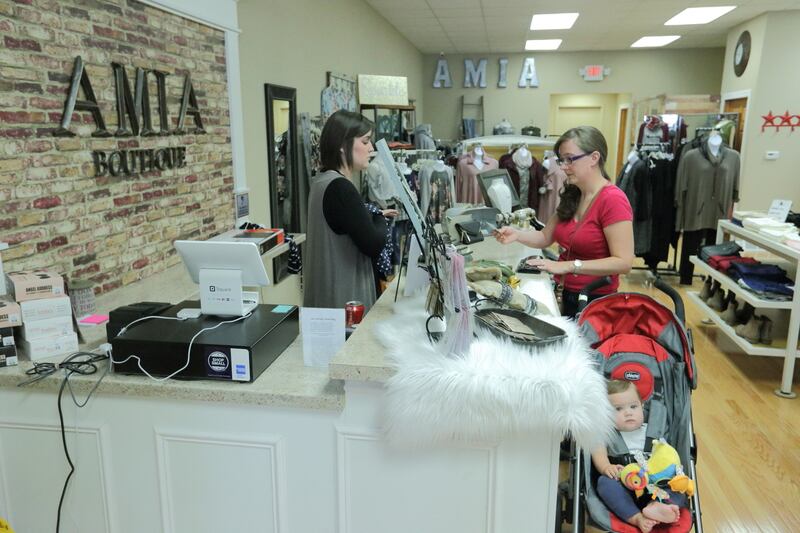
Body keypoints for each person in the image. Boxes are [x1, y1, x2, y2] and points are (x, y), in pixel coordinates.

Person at [494, 126, 634, 317]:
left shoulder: (613, 200)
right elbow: (545, 236)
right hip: (566, 293)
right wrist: (516, 234)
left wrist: (569, 266)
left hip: (595, 302)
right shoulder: (573, 193)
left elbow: (624, 262)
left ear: (594, 158)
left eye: (570, 159)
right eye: (562, 160)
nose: (563, 166)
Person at [304, 110, 397, 311]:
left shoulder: (322, 182)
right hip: (345, 302)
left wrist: (371, 215)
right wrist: (381, 219)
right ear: (341, 145)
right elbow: (373, 243)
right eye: (365, 142)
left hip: (328, 297)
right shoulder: (340, 188)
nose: (371, 148)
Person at [592, 380, 687, 533]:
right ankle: (637, 518)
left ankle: (658, 506)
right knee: (605, 483)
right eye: (618, 409)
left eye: (633, 406)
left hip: (656, 485)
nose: (628, 412)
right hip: (625, 484)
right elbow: (598, 452)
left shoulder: (652, 429)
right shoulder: (606, 433)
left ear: (642, 406)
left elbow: (666, 454)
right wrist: (606, 467)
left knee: (678, 487)